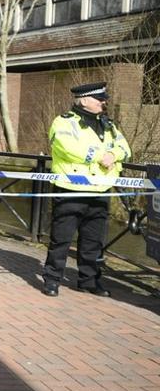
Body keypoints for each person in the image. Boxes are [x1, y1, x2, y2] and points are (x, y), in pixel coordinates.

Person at [42, 81, 131, 297]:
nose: (103, 102)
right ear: (84, 100)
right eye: (99, 99)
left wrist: (114, 155)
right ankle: (52, 280)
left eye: (104, 99)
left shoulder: (108, 125)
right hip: (72, 190)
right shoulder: (63, 123)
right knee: (61, 239)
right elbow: (68, 147)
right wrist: (101, 156)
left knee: (93, 241)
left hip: (100, 191)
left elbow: (124, 147)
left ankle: (88, 281)